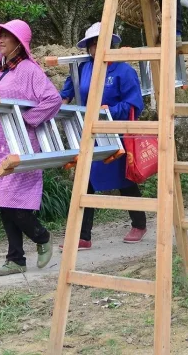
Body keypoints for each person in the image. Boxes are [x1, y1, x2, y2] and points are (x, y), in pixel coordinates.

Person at [0, 19, 62, 277]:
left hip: (22, 146)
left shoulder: (29, 71)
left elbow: (52, 99)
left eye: (6, 37)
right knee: (4, 205)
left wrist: (25, 120)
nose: (0, 41)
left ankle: (42, 237)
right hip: (0, 146)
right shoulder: (2, 72)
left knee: (19, 208)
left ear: (19, 43)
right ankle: (15, 259)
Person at [59, 23, 146, 250]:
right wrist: (56, 109)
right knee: (85, 181)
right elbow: (68, 92)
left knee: (124, 180)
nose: (97, 47)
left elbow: (135, 103)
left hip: (116, 133)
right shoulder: (81, 68)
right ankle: (83, 236)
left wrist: (107, 111)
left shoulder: (124, 71)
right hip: (89, 133)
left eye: (102, 42)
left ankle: (139, 223)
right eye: (93, 43)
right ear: (88, 47)